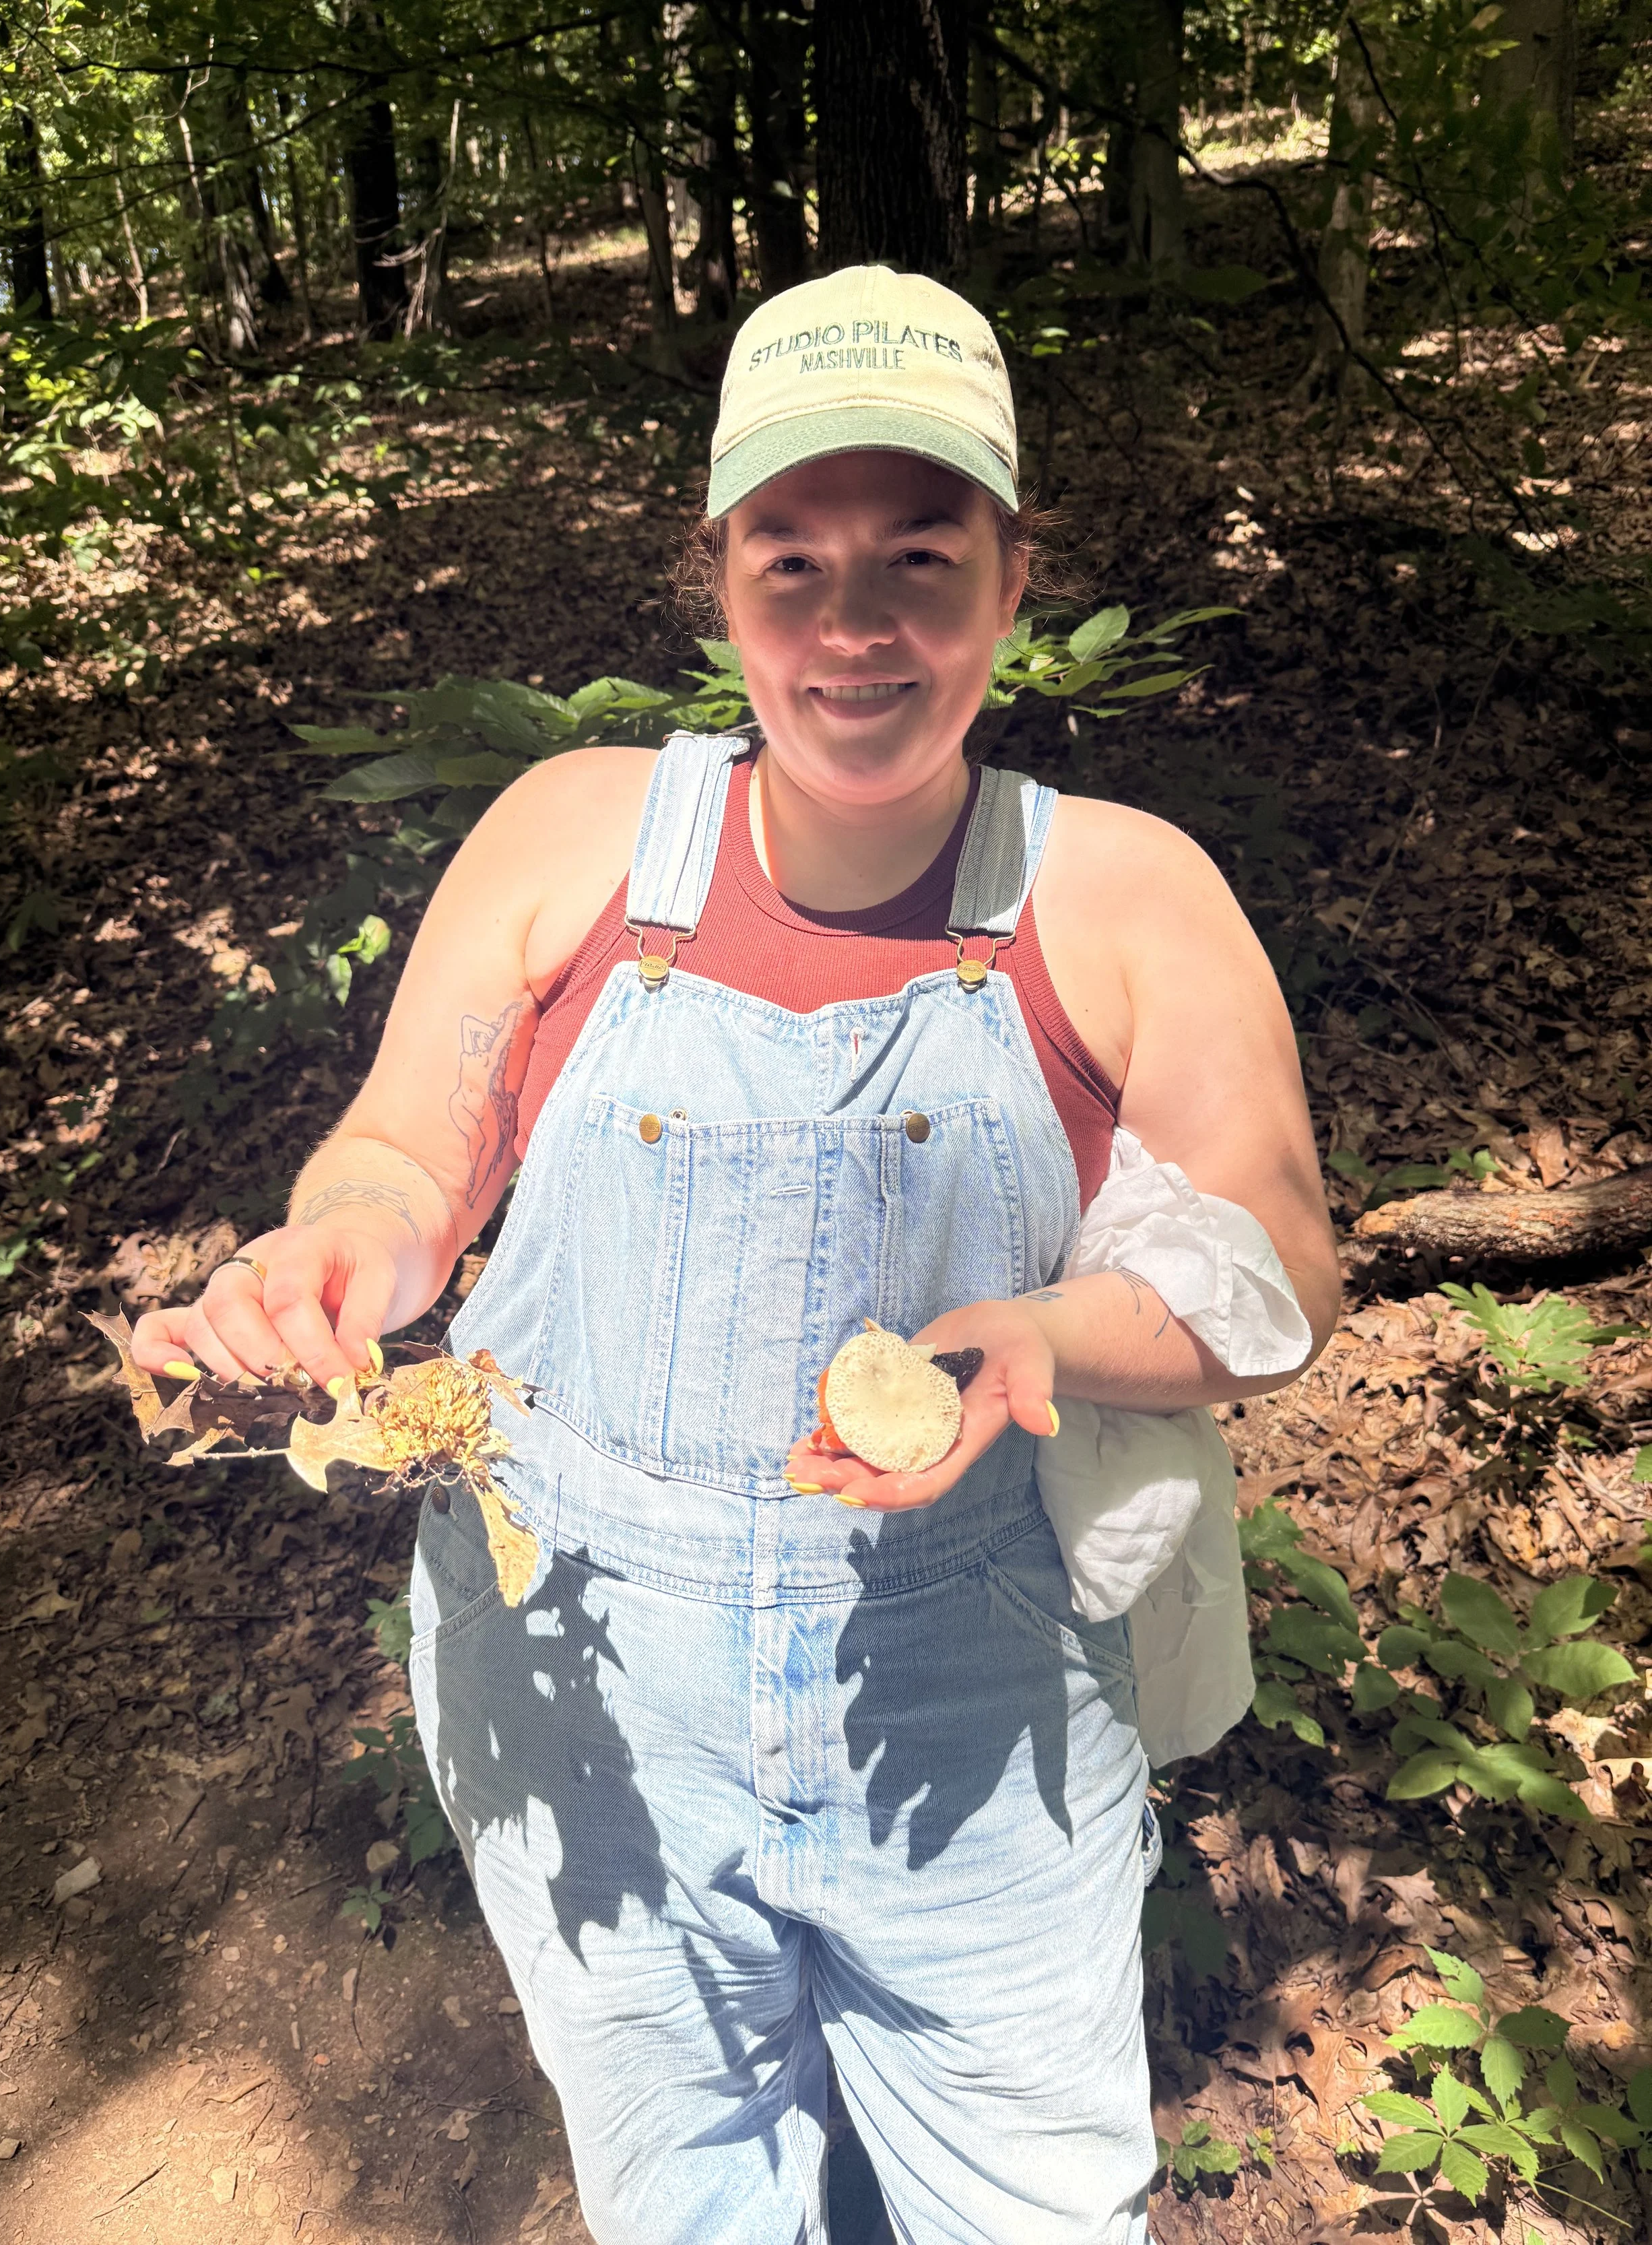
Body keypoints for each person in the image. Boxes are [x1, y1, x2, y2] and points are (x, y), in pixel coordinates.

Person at [132, 266, 1340, 2245]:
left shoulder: (1118, 892)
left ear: (1013, 578)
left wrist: (1038, 1334)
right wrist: (348, 1235)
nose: (855, 626)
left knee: (1033, 2207)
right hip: (579, 1697)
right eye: (792, 562)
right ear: (716, 583)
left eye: (920, 558)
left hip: (979, 1714)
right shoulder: (572, 840)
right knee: (684, 2192)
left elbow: (1277, 1262)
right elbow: (411, 1138)